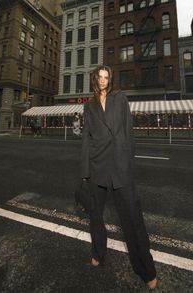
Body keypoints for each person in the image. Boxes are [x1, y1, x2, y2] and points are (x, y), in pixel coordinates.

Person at [80, 65, 157, 290]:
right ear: (95, 79)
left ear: (110, 79)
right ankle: (98, 253)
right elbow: (86, 139)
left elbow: (129, 132)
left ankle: (146, 270)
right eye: (100, 77)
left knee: (133, 220)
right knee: (95, 215)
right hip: (97, 166)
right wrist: (85, 172)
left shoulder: (120, 98)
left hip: (120, 166)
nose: (103, 80)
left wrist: (128, 162)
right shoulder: (89, 106)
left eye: (106, 77)